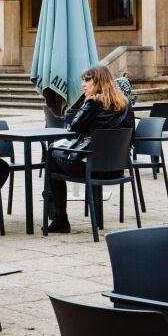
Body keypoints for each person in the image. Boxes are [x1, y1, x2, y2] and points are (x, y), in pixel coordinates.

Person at [45, 64, 135, 234]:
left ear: (99, 82)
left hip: (93, 169)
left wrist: (87, 102)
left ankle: (60, 217)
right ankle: (60, 210)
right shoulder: (126, 105)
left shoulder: (93, 103)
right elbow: (131, 138)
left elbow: (73, 127)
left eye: (87, 80)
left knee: (50, 157)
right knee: (58, 156)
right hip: (118, 169)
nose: (83, 85)